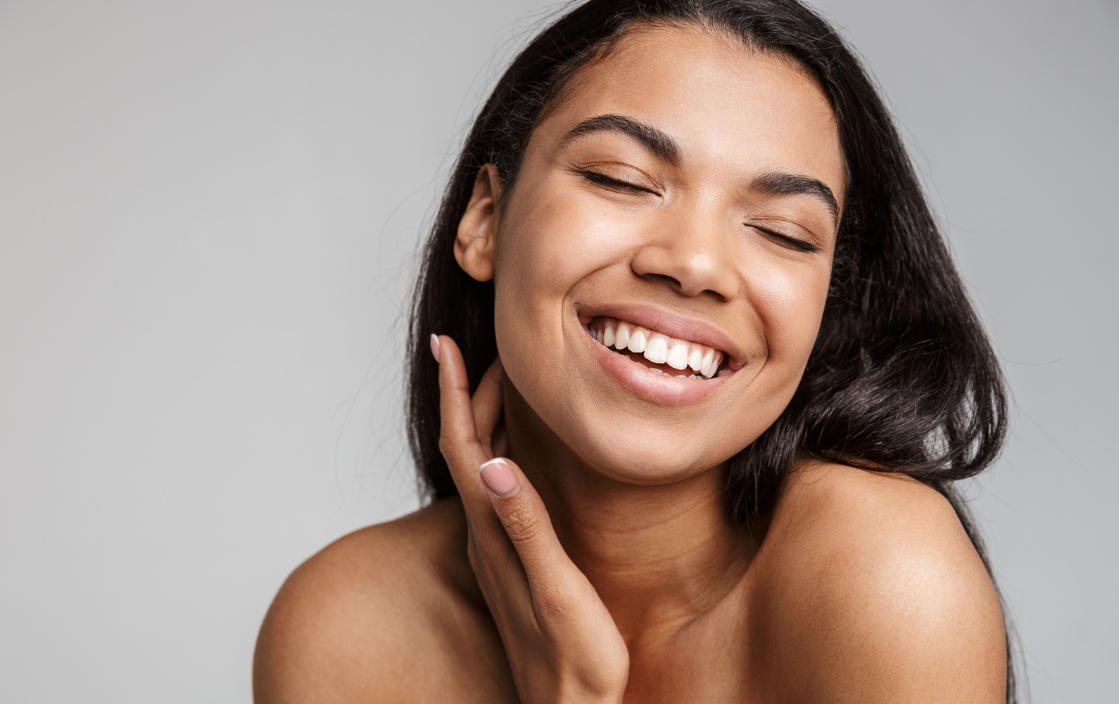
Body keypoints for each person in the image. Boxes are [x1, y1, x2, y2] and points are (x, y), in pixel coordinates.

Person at [253, 0, 1015, 701]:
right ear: (486, 219)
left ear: (826, 306)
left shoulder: (885, 581)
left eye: (783, 231)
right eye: (621, 179)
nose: (693, 264)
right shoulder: (347, 632)